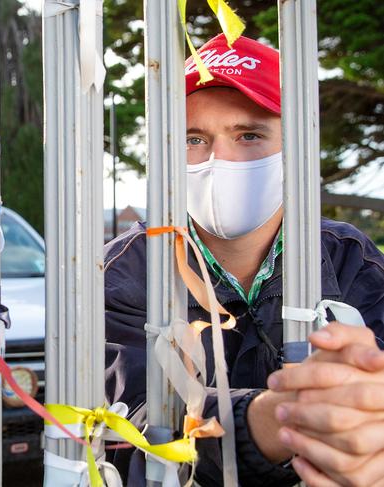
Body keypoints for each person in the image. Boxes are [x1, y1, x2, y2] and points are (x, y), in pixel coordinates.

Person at [104, 34, 384, 487]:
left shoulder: (348, 259)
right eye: (194, 139)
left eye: (249, 134)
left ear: (295, 145)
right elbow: (125, 428)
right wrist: (278, 419)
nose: (221, 160)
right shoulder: (121, 271)